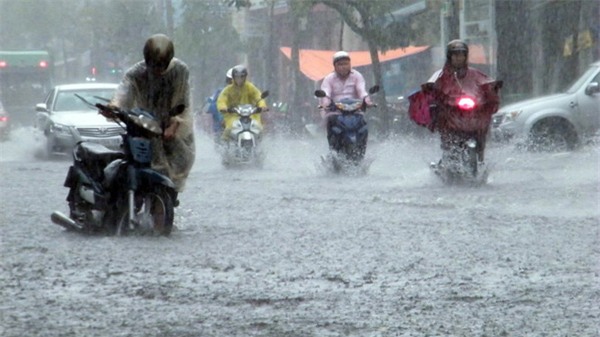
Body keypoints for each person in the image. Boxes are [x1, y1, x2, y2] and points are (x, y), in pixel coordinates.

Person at [108, 33, 195, 199]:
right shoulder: (135, 74)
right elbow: (123, 94)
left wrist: (174, 125)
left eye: (161, 65)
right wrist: (113, 107)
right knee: (145, 164)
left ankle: (168, 203)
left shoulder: (180, 71)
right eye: (153, 65)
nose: (157, 70)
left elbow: (182, 102)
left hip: (175, 130)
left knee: (176, 169)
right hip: (146, 125)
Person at [424, 39, 500, 164]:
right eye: (455, 54)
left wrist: (492, 89)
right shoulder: (440, 75)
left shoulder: (475, 73)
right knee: (447, 135)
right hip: (450, 116)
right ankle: (447, 161)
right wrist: (433, 93)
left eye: (462, 54)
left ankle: (480, 158)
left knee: (482, 131)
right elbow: (430, 90)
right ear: (450, 56)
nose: (459, 58)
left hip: (473, 117)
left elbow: (486, 84)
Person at [319, 51, 373, 149]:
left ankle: (362, 149)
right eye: (340, 64)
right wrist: (325, 104)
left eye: (346, 64)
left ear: (350, 64)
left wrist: (367, 100)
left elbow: (362, 91)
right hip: (336, 111)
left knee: (363, 124)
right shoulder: (329, 79)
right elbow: (326, 93)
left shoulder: (357, 76)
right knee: (331, 123)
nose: (343, 67)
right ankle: (334, 151)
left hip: (355, 110)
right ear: (334, 66)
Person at [216, 64, 267, 140]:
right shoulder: (228, 90)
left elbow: (258, 96)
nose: (239, 79)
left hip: (251, 115)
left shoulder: (250, 87)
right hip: (233, 115)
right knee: (228, 130)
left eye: (242, 77)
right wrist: (224, 108)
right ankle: (225, 148)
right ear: (233, 78)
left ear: (245, 77)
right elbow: (222, 100)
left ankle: (261, 148)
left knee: (260, 129)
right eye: (237, 77)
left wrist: (262, 105)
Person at [206, 68, 233, 140]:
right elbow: (212, 106)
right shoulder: (220, 92)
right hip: (221, 127)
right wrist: (223, 119)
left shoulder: (246, 92)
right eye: (231, 80)